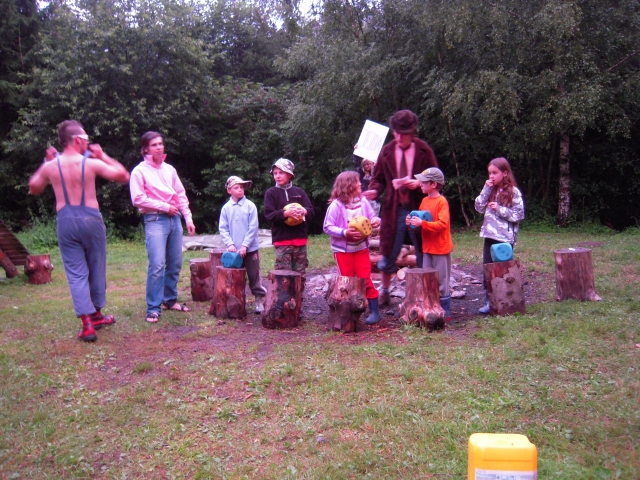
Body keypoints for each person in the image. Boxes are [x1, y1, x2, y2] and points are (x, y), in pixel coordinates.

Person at [28, 120, 130, 341]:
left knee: (76, 273)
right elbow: (123, 175)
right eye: (86, 139)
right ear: (77, 140)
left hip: (66, 221)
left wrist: (46, 162)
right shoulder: (90, 163)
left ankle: (88, 324)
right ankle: (96, 315)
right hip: (91, 219)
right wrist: (102, 155)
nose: (88, 143)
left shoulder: (51, 166)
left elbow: (34, 187)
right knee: (96, 267)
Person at [363, 109, 438, 306]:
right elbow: (378, 179)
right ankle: (384, 291)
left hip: (419, 207)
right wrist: (374, 190)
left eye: (403, 134)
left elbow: (437, 177)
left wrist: (419, 183)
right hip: (394, 208)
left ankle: (423, 292)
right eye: (396, 133)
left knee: (423, 249)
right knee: (388, 248)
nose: (399, 137)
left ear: (412, 132)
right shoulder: (387, 151)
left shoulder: (424, 150)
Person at [130, 131, 196, 323]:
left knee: (175, 263)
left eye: (160, 144)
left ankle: (169, 300)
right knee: (157, 264)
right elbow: (137, 199)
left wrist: (188, 218)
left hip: (174, 219)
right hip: (155, 219)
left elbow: (180, 194)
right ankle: (153, 307)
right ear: (145, 149)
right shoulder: (139, 171)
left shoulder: (169, 169)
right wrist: (164, 206)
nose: (159, 147)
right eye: (154, 145)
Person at [323, 171, 382, 324]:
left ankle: (374, 312)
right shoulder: (336, 206)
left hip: (361, 249)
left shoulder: (363, 202)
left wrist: (376, 220)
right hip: (343, 251)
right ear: (348, 186)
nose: (360, 184)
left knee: (365, 279)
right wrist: (344, 233)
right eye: (357, 182)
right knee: (346, 281)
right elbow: (327, 226)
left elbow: (372, 217)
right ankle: (347, 313)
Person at [474, 157, 525, 314]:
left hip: (504, 239)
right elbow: (478, 207)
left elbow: (519, 214)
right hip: (489, 236)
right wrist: (485, 189)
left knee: (503, 271)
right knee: (487, 270)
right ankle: (489, 301)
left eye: (494, 173)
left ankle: (508, 301)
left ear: (505, 173)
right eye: (489, 173)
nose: (491, 176)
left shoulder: (514, 192)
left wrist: (499, 209)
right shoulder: (490, 190)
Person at [406, 167, 453, 319]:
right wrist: (411, 223)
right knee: (427, 279)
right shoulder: (424, 201)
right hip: (427, 248)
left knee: (441, 281)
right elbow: (420, 224)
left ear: (433, 184)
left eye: (423, 182)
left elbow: (442, 224)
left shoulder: (441, 202)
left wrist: (422, 223)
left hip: (441, 249)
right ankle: (430, 309)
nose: (420, 184)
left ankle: (445, 313)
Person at [264, 158, 314, 290]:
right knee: (284, 275)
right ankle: (284, 301)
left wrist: (303, 211)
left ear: (290, 175)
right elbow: (269, 215)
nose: (277, 176)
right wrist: (286, 213)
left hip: (300, 240)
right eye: (275, 173)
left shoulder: (299, 192)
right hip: (282, 241)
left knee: (300, 274)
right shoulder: (271, 193)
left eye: (281, 173)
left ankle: (298, 300)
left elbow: (311, 211)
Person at [219, 176, 267, 313]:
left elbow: (253, 227)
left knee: (254, 276)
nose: (240, 189)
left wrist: (245, 245)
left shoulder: (250, 206)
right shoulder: (226, 208)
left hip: (250, 249)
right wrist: (230, 243)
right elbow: (223, 228)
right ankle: (236, 303)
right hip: (233, 252)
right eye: (236, 187)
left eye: (241, 187)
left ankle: (259, 301)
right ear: (229, 191)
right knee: (234, 278)